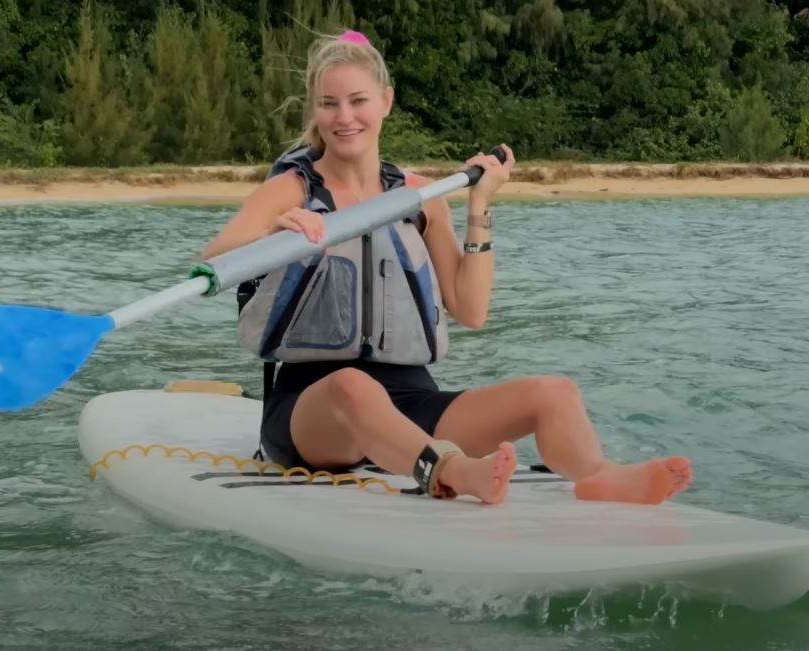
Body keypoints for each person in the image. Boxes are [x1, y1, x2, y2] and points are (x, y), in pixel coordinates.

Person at [199, 30, 692, 506]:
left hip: (411, 399)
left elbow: (471, 310)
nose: (344, 117)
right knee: (354, 386)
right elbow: (212, 262)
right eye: (329, 104)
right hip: (314, 408)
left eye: (358, 101)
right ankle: (452, 473)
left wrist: (480, 205)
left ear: (386, 101)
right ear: (315, 110)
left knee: (554, 393)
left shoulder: (421, 197)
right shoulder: (291, 190)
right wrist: (274, 234)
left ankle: (599, 476)